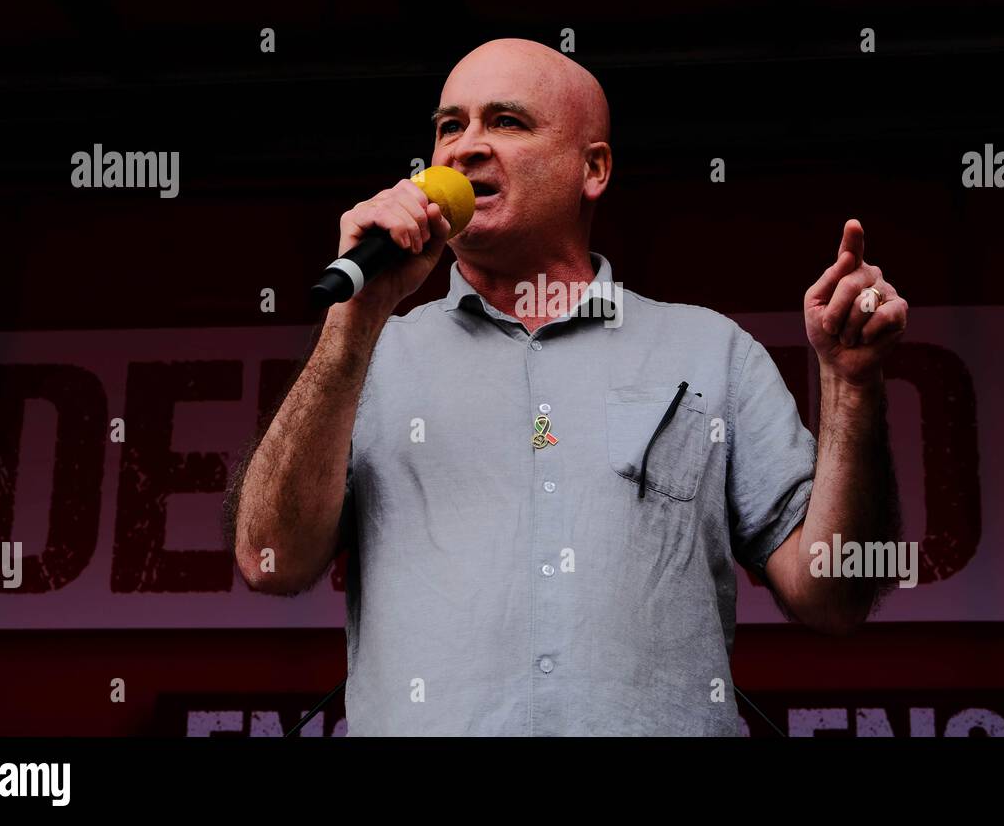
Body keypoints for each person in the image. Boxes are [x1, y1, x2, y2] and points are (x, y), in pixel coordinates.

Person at [226, 38, 909, 735]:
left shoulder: (712, 352)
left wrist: (853, 387)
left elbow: (833, 596)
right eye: (448, 126)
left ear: (594, 168)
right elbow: (267, 559)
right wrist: (353, 324)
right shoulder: (371, 356)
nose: (464, 148)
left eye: (507, 122)